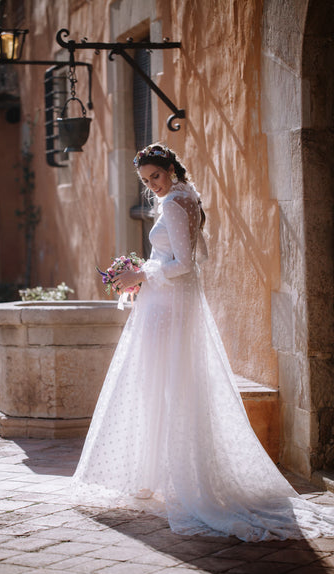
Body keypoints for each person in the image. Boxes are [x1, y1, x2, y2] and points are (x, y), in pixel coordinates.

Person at [72, 143, 334, 542]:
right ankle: (156, 474)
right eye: (146, 182)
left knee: (166, 386)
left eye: (156, 177)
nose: (153, 186)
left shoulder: (177, 203)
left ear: (171, 169)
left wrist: (139, 275)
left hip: (169, 308)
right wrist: (142, 275)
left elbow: (184, 264)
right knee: (162, 386)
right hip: (168, 305)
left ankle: (182, 482)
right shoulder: (184, 197)